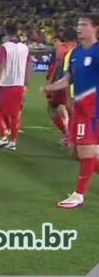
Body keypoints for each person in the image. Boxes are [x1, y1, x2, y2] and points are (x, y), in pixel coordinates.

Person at [42, 15, 99, 209]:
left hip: (93, 110)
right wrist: (51, 87)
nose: (79, 28)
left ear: (95, 28)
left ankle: (78, 195)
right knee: (77, 153)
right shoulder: (75, 53)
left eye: (84, 25)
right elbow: (68, 78)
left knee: (85, 152)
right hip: (80, 108)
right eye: (78, 25)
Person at [0, 23, 32, 151]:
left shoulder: (4, 48)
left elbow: (0, 66)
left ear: (6, 32)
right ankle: (13, 142)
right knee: (14, 115)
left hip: (5, 84)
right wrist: (26, 84)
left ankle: (3, 136)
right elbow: (29, 67)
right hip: (19, 85)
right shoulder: (25, 48)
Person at [45, 29, 77, 146]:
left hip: (62, 83)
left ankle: (68, 135)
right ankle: (73, 137)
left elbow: (57, 66)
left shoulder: (62, 48)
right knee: (73, 111)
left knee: (52, 108)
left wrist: (50, 83)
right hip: (78, 84)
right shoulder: (80, 49)